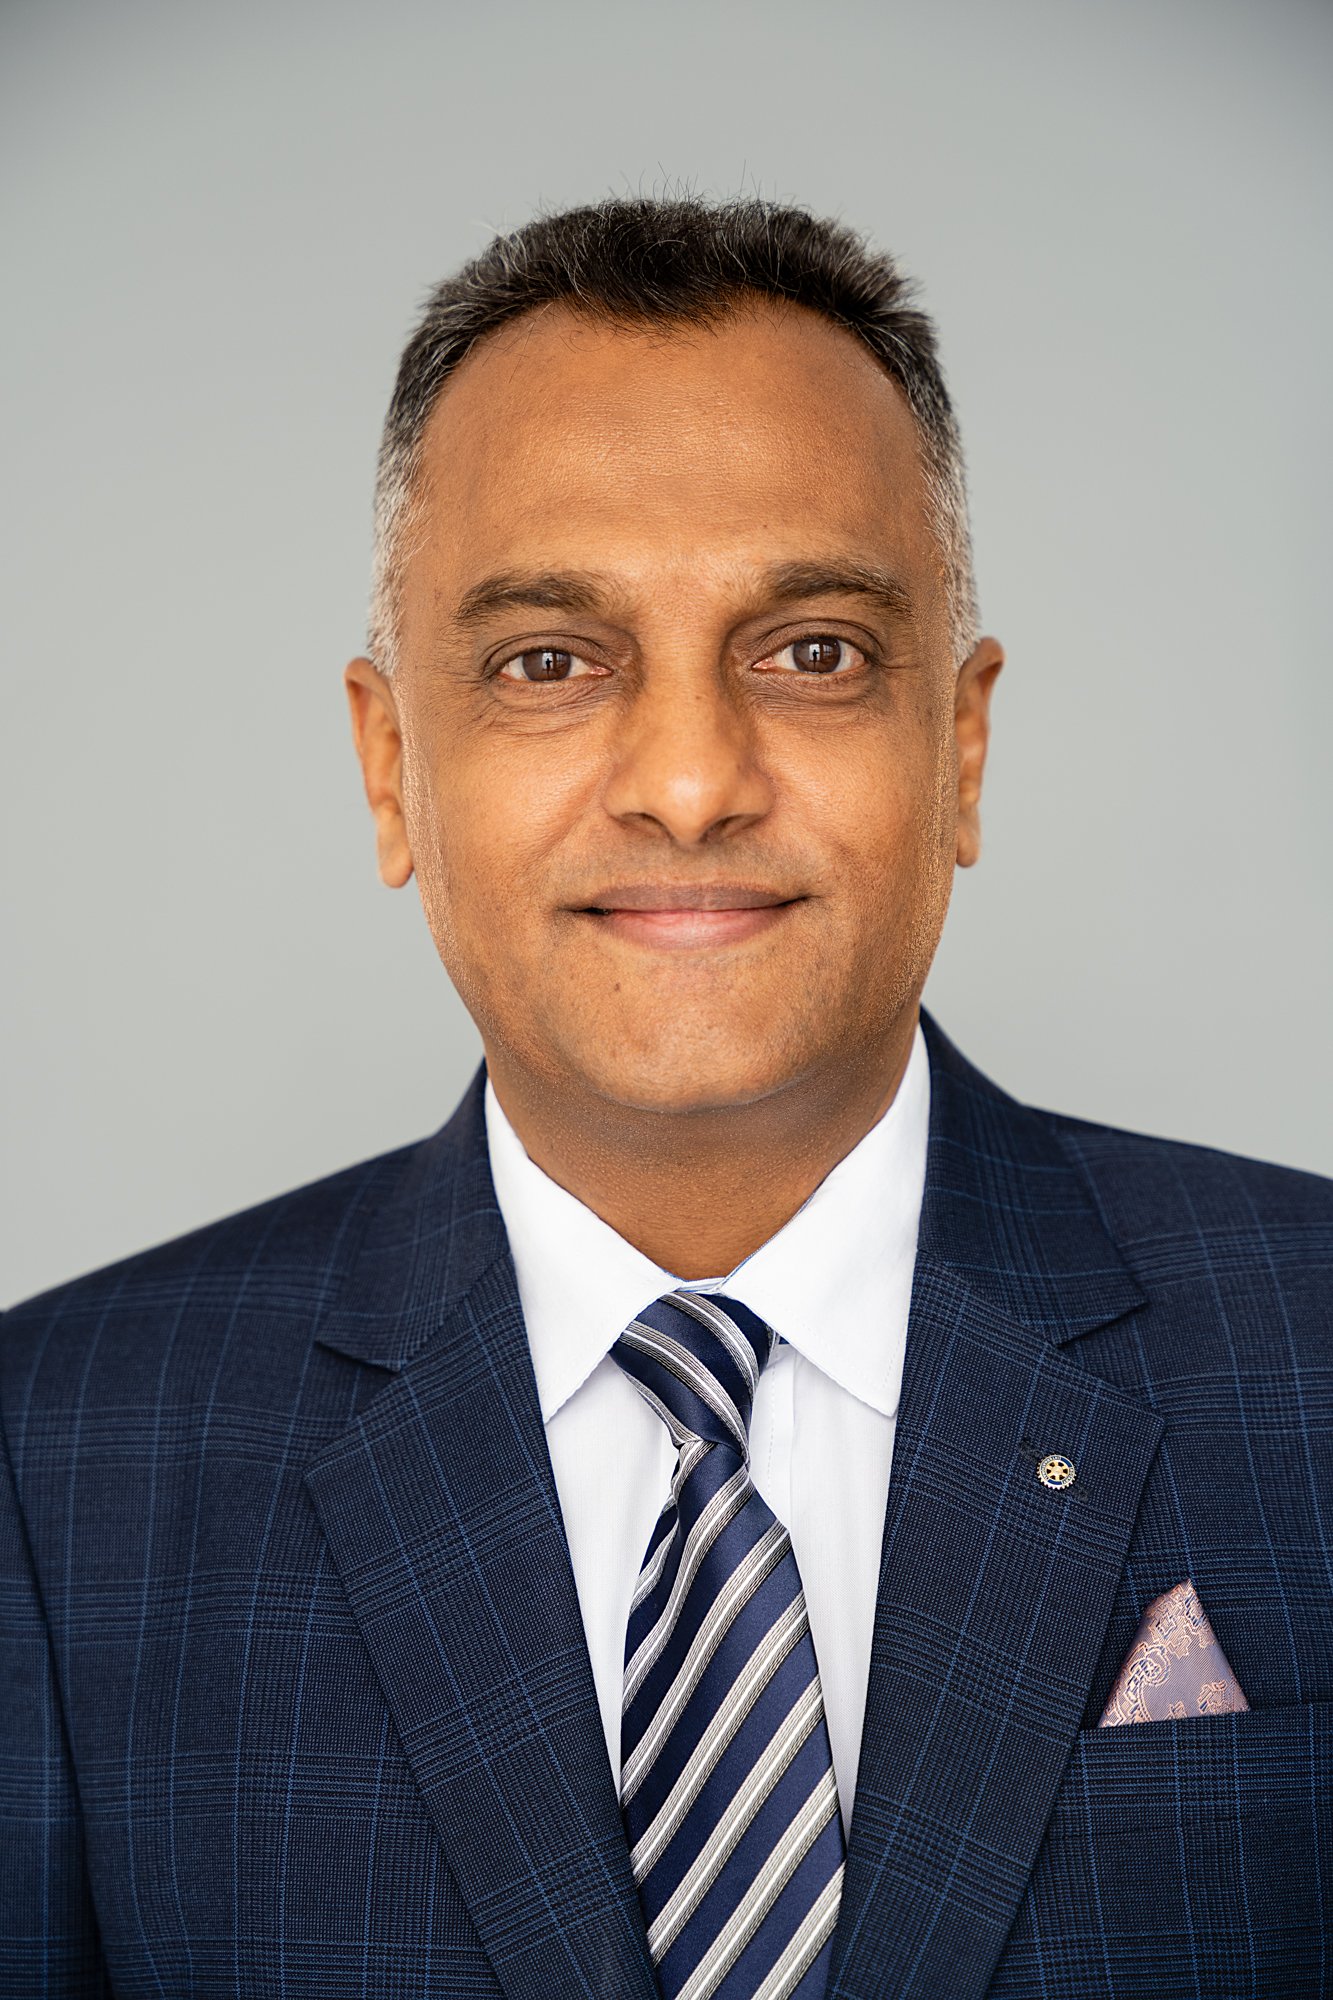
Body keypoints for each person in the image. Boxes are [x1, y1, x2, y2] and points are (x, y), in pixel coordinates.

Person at [2, 196, 1328, 2000]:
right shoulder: (52, 1459)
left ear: (960, 745)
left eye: (812, 650)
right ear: (391, 769)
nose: (692, 782)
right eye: (550, 661)